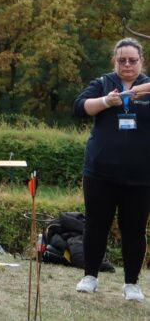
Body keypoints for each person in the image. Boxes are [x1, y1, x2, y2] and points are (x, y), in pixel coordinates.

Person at [72, 37, 150, 302]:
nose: (127, 64)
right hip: (100, 172)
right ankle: (90, 276)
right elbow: (79, 107)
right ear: (114, 61)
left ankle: (131, 284)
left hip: (141, 175)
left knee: (135, 229)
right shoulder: (103, 83)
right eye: (121, 60)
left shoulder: (147, 86)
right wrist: (106, 101)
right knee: (96, 225)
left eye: (132, 60)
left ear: (141, 61)